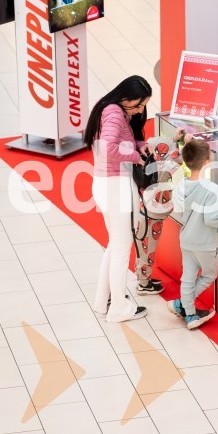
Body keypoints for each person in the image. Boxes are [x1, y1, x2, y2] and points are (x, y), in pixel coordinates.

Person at [84, 75, 153, 323]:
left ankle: (103, 301)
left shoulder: (109, 108)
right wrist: (136, 156)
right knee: (122, 248)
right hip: (115, 187)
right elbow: (108, 149)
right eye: (138, 105)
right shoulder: (114, 113)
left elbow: (118, 141)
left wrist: (138, 144)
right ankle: (119, 308)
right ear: (125, 97)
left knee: (115, 245)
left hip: (105, 184)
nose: (140, 110)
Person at [167, 138, 218, 329]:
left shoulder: (181, 185)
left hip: (186, 239)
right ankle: (183, 305)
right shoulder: (212, 190)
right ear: (207, 162)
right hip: (205, 243)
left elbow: (179, 211)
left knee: (188, 277)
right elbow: (211, 219)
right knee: (208, 275)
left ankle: (189, 313)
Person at [132, 128, 187, 295]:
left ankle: (144, 278)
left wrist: (174, 139)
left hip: (146, 214)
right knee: (147, 251)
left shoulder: (153, 164)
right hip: (151, 217)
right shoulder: (165, 168)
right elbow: (182, 157)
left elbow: (164, 151)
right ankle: (143, 283)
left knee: (144, 249)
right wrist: (188, 143)